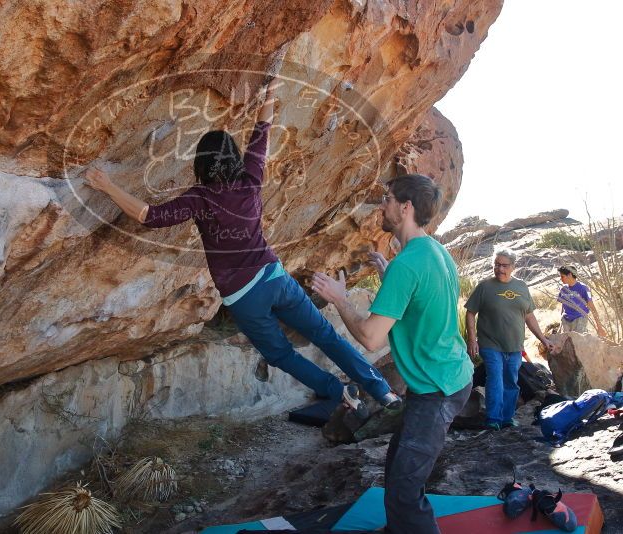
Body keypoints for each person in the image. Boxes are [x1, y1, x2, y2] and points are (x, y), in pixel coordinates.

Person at [83, 78, 400, 409]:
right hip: (275, 278)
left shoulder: (200, 197)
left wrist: (107, 186)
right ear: (234, 157)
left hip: (244, 297)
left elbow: (148, 215)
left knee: (280, 353)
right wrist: (272, 91)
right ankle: (382, 392)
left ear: (201, 164)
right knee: (326, 336)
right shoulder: (250, 180)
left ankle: (339, 394)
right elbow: (262, 130)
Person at [311, 174, 473, 534]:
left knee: (403, 488)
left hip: (437, 389)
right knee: (396, 466)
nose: (381, 205)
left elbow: (370, 337)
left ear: (406, 207)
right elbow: (419, 298)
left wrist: (339, 298)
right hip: (449, 377)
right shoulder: (433, 251)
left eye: (387, 199)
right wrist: (388, 276)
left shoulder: (407, 264)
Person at [465, 249, 556, 431]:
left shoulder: (521, 287)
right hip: (490, 343)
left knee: (511, 381)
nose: (500, 269)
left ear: (513, 267)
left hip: (515, 345)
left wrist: (543, 339)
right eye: (497, 264)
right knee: (495, 379)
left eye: (504, 265)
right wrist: (472, 340)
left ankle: (507, 418)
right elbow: (470, 312)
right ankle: (493, 419)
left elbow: (529, 317)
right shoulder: (484, 287)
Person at [556, 264, 606, 336]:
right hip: (566, 321)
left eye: (562, 276)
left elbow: (592, 306)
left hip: (580, 319)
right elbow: (563, 306)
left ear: (569, 275)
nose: (561, 279)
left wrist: (599, 327)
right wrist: (562, 319)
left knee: (578, 342)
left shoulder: (584, 288)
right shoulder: (563, 289)